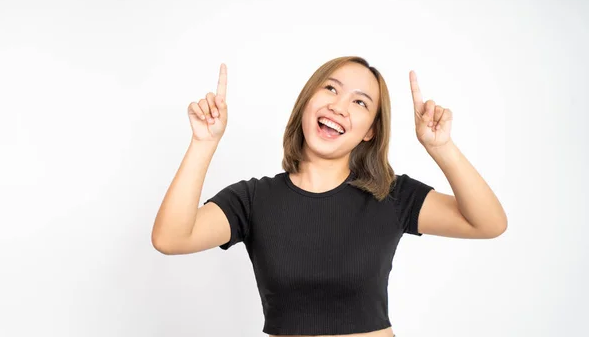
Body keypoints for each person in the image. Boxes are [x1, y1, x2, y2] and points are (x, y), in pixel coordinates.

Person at [151, 56, 508, 337]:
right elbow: (170, 238)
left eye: (360, 102)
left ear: (371, 132)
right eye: (331, 89)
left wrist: (441, 147)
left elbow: (488, 223)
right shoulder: (253, 199)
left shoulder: (391, 194)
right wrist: (203, 143)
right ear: (307, 102)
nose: (339, 106)